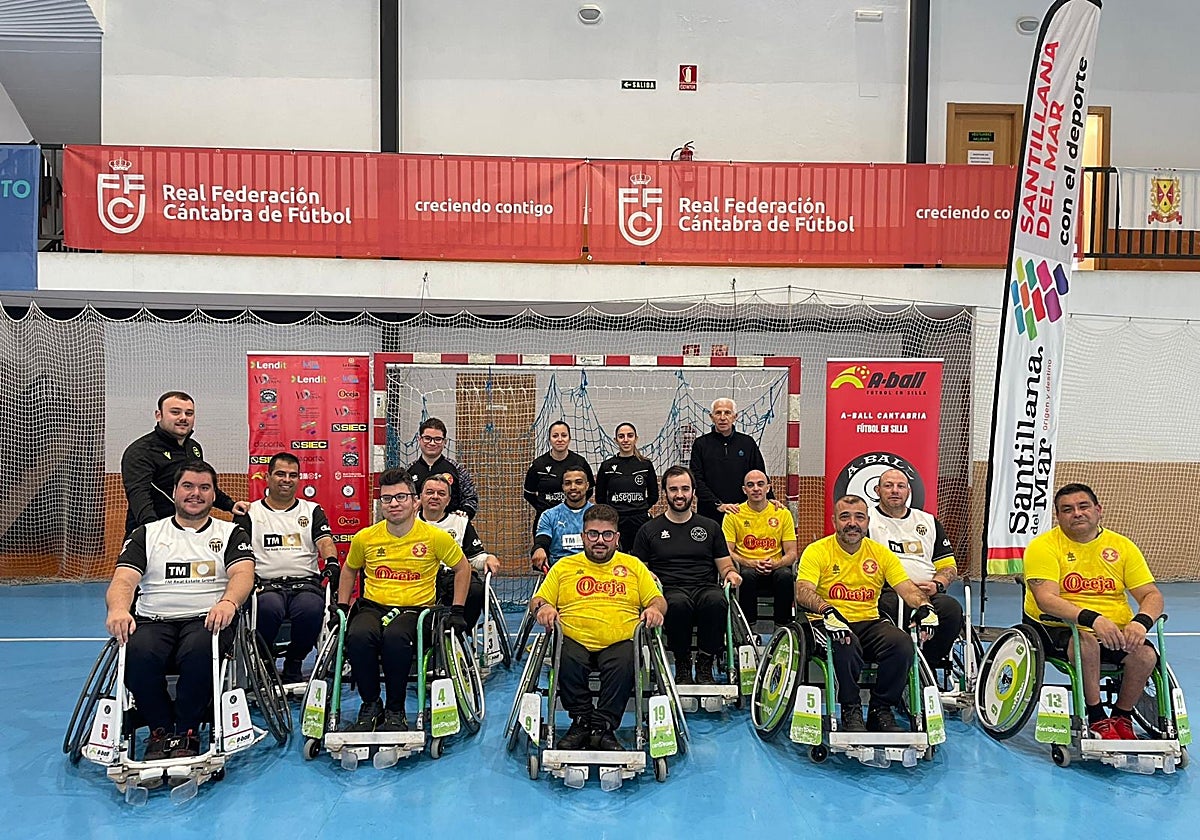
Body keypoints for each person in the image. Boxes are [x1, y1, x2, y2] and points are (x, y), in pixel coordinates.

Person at [104, 460, 255, 760]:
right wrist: (118, 609)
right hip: (153, 619)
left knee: (200, 649)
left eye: (204, 488)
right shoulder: (146, 533)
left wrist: (228, 602)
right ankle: (160, 730)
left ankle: (187, 730)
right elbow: (123, 580)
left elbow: (243, 574)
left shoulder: (231, 533)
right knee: (137, 651)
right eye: (188, 486)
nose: (195, 493)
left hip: (207, 618)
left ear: (214, 495)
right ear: (174, 491)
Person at [1024, 483, 1164, 741]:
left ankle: (1122, 716)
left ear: (1098, 510)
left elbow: (1151, 595)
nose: (1077, 513)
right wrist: (1093, 619)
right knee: (1087, 642)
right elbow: (1046, 599)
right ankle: (1097, 716)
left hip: (1114, 628)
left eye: (1083, 506)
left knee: (1145, 655)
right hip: (1057, 626)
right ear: (1058, 516)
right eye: (1067, 509)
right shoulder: (1043, 546)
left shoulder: (1122, 546)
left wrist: (1141, 622)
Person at [337, 470, 470, 732]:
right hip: (374, 607)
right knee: (358, 635)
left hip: (416, 611)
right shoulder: (365, 537)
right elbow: (350, 569)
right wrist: (342, 607)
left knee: (396, 638)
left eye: (400, 497)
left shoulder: (435, 537)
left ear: (414, 500)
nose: (394, 504)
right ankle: (371, 704)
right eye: (387, 499)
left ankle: (395, 710)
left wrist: (457, 610)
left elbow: (463, 568)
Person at [528, 504, 668, 750]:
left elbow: (658, 600)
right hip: (573, 639)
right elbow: (537, 600)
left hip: (620, 641)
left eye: (607, 534)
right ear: (583, 536)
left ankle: (602, 728)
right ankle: (582, 721)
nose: (600, 540)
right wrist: (544, 607)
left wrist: (655, 609)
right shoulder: (564, 567)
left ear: (617, 537)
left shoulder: (634, 566)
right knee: (564, 653)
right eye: (593, 534)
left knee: (626, 660)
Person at [794, 495, 937, 733]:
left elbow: (907, 588)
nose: (852, 523)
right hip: (827, 621)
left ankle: (880, 710)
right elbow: (803, 591)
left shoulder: (880, 553)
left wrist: (925, 607)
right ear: (834, 521)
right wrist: (827, 610)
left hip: (868, 621)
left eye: (859, 517)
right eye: (845, 517)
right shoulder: (817, 550)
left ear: (867, 522)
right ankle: (850, 709)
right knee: (845, 642)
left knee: (902, 644)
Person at [234, 451, 339, 684]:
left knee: (311, 608)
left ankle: (295, 661)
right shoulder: (249, 513)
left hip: (304, 584)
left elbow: (325, 541)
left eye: (293, 475)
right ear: (268, 477)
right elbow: (239, 554)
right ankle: (266, 661)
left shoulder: (312, 510)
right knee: (269, 607)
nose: (287, 480)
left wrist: (331, 561)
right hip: (265, 586)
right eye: (280, 474)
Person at [631, 465, 740, 685]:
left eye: (685, 489)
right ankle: (682, 663)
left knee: (717, 600)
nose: (679, 494)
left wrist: (731, 574)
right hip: (668, 589)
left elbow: (725, 566)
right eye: (673, 489)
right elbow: (639, 568)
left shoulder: (710, 527)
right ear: (665, 493)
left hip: (704, 587)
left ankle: (705, 663)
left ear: (693, 492)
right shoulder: (649, 529)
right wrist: (647, 574)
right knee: (678, 604)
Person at [869, 468, 964, 667]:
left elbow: (948, 566)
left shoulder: (927, 521)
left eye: (900, 486)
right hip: (888, 592)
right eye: (888, 486)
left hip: (927, 592)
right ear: (877, 490)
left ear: (909, 491)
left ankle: (926, 667)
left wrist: (937, 584)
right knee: (892, 606)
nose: (895, 490)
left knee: (951, 610)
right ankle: (900, 666)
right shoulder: (867, 521)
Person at [121, 391, 248, 536]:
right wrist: (154, 531)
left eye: (189, 413)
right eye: (175, 412)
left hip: (189, 532)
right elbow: (139, 496)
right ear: (158, 415)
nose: (183, 418)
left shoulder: (194, 447)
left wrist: (231, 505)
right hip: (153, 534)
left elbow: (201, 486)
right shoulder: (141, 451)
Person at [419, 473, 500, 628]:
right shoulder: (409, 523)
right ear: (420, 496)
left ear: (448, 500)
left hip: (453, 576)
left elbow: (475, 557)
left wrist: (488, 557)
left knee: (476, 590)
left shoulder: (460, 522)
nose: (435, 497)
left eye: (441, 493)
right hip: (421, 577)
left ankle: (461, 632)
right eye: (429, 492)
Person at [722, 470, 797, 628]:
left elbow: (792, 553)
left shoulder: (782, 513)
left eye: (760, 484)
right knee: (746, 576)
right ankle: (748, 629)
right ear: (744, 490)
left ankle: (783, 627)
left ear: (768, 488)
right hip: (746, 569)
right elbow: (726, 551)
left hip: (774, 568)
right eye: (750, 485)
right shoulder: (733, 515)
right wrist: (750, 562)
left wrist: (776, 564)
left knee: (785, 575)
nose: (756, 488)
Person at [688, 397, 773, 524]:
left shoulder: (747, 443)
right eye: (718, 413)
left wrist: (770, 499)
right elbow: (696, 480)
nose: (722, 417)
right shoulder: (700, 444)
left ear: (735, 417)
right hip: (709, 514)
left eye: (727, 413)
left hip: (742, 513)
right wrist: (718, 505)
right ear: (712, 417)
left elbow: (760, 474)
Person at [596, 422, 659, 551]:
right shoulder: (606, 466)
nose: (625, 440)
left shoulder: (645, 465)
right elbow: (600, 497)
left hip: (640, 520)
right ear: (615, 440)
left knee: (641, 555)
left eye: (630, 436)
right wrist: (613, 512)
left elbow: (654, 495)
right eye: (621, 436)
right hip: (616, 520)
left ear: (636, 439)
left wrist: (640, 508)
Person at [523, 420, 594, 531]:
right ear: (549, 439)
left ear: (569, 439)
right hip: (546, 521)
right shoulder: (538, 465)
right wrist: (544, 508)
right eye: (555, 436)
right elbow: (528, 494)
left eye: (564, 435)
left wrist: (573, 506)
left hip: (574, 520)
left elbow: (589, 490)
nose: (560, 439)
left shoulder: (580, 462)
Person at [404, 418, 479, 519]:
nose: (432, 443)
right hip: (417, 525)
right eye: (427, 438)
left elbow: (471, 498)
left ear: (445, 442)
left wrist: (464, 514)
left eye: (438, 439)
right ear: (419, 439)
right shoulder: (408, 471)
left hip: (450, 525)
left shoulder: (457, 470)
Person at [530, 467, 593, 571]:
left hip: (591, 569)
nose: (573, 487)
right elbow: (542, 539)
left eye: (578, 482)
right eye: (568, 483)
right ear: (563, 487)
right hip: (559, 570)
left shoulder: (598, 514)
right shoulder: (549, 515)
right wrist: (539, 548)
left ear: (587, 486)